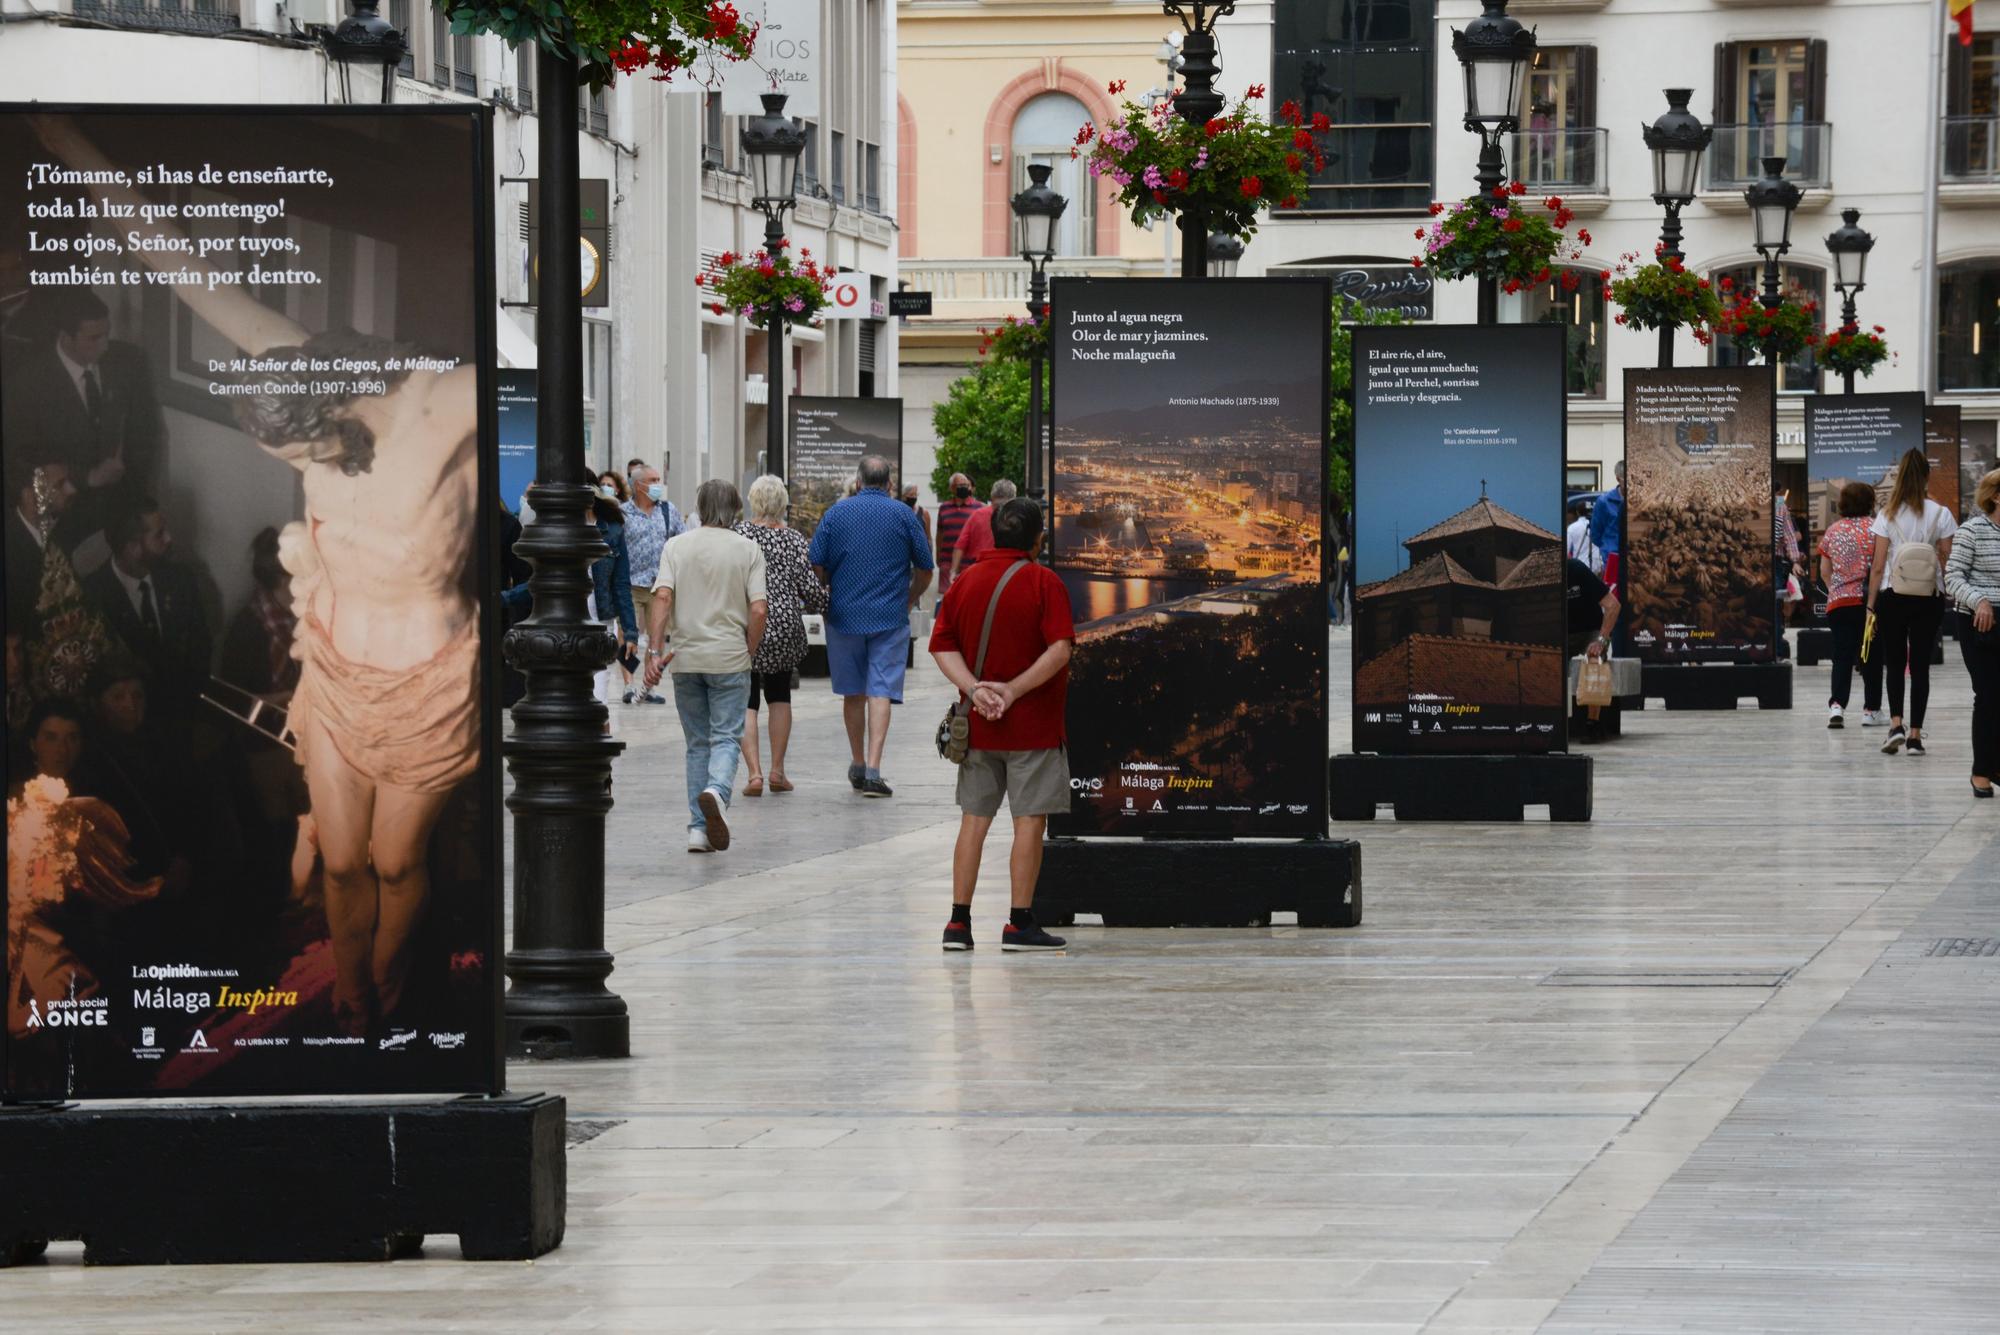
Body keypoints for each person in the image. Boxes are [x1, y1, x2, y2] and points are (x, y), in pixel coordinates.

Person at [37, 113, 484, 1034]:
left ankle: (383, 1002)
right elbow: (173, 260)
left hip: (429, 687)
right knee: (341, 862)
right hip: (334, 675)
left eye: (310, 447)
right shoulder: (286, 357)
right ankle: (352, 1006)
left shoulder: (439, 406)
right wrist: (62, 140)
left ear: (338, 401)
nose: (307, 466)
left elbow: (548, 358)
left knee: (398, 865)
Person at [928, 498, 1073, 952]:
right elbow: (1060, 649)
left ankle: (958, 923)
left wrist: (975, 690)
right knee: (1028, 824)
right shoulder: (1044, 582)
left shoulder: (965, 582)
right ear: (1038, 539)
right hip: (1033, 727)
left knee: (974, 822)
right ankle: (1018, 923)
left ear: (992, 532)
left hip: (978, 729)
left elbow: (940, 646)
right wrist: (1012, 691)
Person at [643, 479, 767, 853]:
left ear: (699, 506)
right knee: (727, 736)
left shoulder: (676, 546)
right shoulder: (747, 549)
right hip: (730, 656)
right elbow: (759, 608)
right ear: (735, 509)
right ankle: (717, 791)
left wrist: (653, 651)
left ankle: (698, 830)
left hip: (686, 658)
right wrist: (749, 646)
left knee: (697, 743)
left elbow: (662, 598)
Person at [808, 455, 934, 797]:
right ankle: (875, 769)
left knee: (853, 692)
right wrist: (909, 598)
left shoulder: (836, 513)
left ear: (859, 481)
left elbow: (815, 562)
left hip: (843, 615)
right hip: (890, 617)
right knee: (881, 691)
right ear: (890, 483)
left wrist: (826, 594)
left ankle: (858, 762)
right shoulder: (904, 515)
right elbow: (926, 568)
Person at [0, 288, 165, 542]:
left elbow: (145, 435)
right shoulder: (25, 386)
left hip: (121, 515)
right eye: (94, 338)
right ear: (66, 337)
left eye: (107, 334)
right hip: (65, 520)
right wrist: (86, 477)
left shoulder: (129, 361)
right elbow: (19, 464)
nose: (105, 345)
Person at [81, 492, 212, 725]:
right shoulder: (92, 595)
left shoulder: (181, 580)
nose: (169, 538)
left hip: (180, 724)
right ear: (132, 547)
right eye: (159, 534)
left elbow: (200, 652)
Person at [733, 475, 822, 797]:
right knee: (780, 693)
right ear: (782, 503)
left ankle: (754, 774)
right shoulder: (795, 539)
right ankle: (777, 771)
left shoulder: (740, 535)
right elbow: (809, 588)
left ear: (753, 501)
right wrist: (825, 603)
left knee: (748, 700)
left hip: (748, 623)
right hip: (785, 626)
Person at [1866, 449, 1958, 757]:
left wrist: (1870, 604)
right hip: (1929, 597)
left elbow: (1878, 565)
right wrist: (1952, 591)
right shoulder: (1941, 513)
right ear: (1926, 478)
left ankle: (1895, 726)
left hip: (1893, 595)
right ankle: (1916, 736)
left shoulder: (1886, 515)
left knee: (1894, 662)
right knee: (1920, 665)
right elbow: (1947, 559)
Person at [1944, 468, 2000, 797]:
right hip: (1979, 622)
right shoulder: (1973, 530)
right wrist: (1979, 600)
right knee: (1989, 694)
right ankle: (1981, 770)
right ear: (1996, 495)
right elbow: (1953, 576)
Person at [1818, 481, 1883, 730]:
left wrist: (1837, 588)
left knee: (1841, 655)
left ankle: (1837, 705)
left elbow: (1825, 571)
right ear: (1870, 502)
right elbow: (1879, 567)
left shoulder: (1832, 531)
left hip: (1839, 603)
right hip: (1869, 602)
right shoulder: (1877, 529)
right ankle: (1871, 710)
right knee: (1871, 656)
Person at [621, 461, 683, 705]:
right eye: (653, 480)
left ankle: (648, 686)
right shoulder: (623, 512)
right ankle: (628, 683)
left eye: (659, 480)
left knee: (655, 638)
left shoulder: (668, 511)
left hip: (660, 585)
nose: (658, 485)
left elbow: (681, 541)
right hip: (630, 583)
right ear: (638, 485)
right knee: (629, 635)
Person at [218, 526, 300, 698]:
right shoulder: (247, 628)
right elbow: (234, 699)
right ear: (285, 580)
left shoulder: (299, 616)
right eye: (302, 574)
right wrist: (288, 697)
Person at [951, 479, 1017, 583]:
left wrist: (953, 571)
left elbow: (960, 545)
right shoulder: (1017, 517)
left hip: (977, 570)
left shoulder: (977, 515)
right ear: (1013, 497)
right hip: (1008, 572)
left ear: (992, 496)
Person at [934, 472, 983, 597]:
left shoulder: (979, 508)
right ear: (952, 488)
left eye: (966, 485)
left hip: (970, 564)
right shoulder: (944, 508)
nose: (964, 488)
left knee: (968, 597)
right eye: (960, 485)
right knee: (947, 597)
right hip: (947, 561)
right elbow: (940, 533)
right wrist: (938, 555)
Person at [1565, 556, 1619, 661]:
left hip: (1591, 631)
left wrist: (1601, 641)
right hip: (1562, 635)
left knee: (1594, 659)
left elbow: (1613, 606)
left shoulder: (1576, 568)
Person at [1589, 461, 1625, 600]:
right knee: (1614, 602)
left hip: (1633, 559)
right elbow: (1596, 534)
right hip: (1613, 560)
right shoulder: (1604, 501)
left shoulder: (1637, 500)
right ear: (1618, 478)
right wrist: (1609, 550)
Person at [1773, 490, 1802, 656]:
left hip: (1773, 561)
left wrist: (1795, 560)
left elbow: (1791, 536)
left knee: (1774, 605)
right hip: (1765, 560)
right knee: (1772, 605)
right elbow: (1790, 536)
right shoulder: (1779, 503)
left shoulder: (1778, 504)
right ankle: (1773, 650)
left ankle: (1774, 650)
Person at [1565, 499, 1600, 574]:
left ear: (1577, 512)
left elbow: (1566, 550)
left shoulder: (1572, 527)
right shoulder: (1597, 525)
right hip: (1597, 566)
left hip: (1580, 566)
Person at [902, 482, 932, 552]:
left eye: (915, 494)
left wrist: (930, 551)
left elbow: (928, 537)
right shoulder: (899, 512)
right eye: (911, 495)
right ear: (904, 496)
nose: (914, 497)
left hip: (920, 551)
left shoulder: (924, 513)